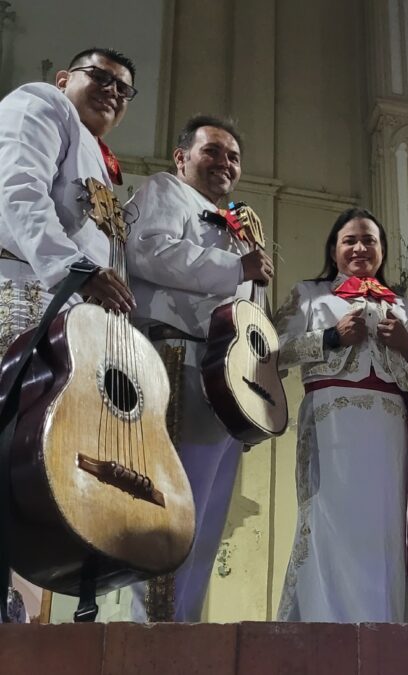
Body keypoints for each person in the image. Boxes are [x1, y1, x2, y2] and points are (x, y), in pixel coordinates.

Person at [125, 115, 273, 621]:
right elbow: (146, 251)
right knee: (167, 504)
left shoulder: (235, 223)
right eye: (212, 151)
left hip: (225, 378)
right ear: (181, 157)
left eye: (233, 156)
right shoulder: (165, 190)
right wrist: (238, 268)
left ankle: (178, 629)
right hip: (176, 359)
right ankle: (146, 632)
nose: (224, 163)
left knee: (206, 514)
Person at [273, 208, 408, 622]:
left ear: (382, 250)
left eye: (370, 240)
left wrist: (406, 346)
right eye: (351, 240)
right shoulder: (309, 295)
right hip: (331, 424)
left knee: (381, 534)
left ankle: (382, 634)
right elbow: (270, 352)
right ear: (334, 248)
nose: (361, 247)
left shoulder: (402, 305)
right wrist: (329, 336)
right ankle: (324, 630)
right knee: (329, 525)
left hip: (389, 432)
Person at [0, 46, 137, 353]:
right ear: (63, 80)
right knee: (19, 396)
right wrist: (73, 268)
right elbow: (21, 187)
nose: (112, 90)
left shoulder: (96, 154)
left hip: (74, 302)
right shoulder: (42, 101)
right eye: (99, 77)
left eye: (123, 88)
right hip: (26, 281)